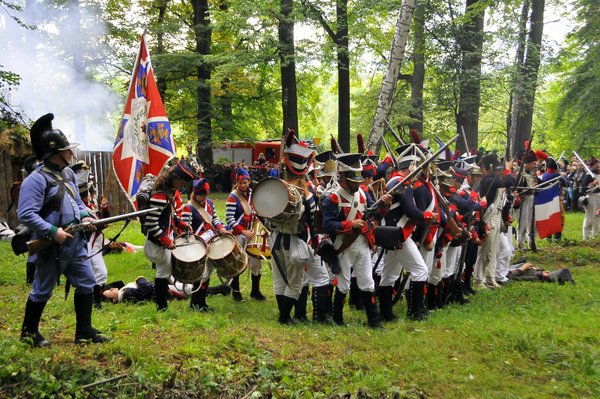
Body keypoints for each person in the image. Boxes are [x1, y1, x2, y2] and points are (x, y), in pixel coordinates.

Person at [18, 113, 108, 346]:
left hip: (74, 241)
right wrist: (52, 232)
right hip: (51, 244)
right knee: (43, 290)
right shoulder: (35, 181)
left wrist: (87, 216)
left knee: (87, 282)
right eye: (66, 150)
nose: (71, 153)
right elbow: (26, 215)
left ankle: (84, 331)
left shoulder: (68, 173)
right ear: (54, 153)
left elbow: (77, 201)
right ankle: (29, 334)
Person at [322, 153, 391, 328]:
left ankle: (374, 321)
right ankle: (337, 319)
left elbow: (373, 213)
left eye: (358, 180)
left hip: (363, 243)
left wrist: (384, 206)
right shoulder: (333, 198)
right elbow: (328, 225)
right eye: (353, 180)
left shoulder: (362, 194)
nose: (357, 183)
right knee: (343, 284)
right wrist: (350, 223)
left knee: (367, 281)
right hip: (343, 244)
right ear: (343, 177)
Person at [143, 160, 198, 311]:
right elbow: (151, 222)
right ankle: (161, 306)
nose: (182, 184)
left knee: (165, 271)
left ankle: (162, 303)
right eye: (181, 181)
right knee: (163, 271)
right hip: (157, 242)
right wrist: (165, 239)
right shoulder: (160, 196)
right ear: (174, 178)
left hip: (163, 239)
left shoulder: (168, 192)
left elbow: (170, 216)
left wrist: (181, 224)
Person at [180, 178, 227, 311]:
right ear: (195, 194)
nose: (204, 198)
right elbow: (185, 231)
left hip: (211, 242)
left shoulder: (210, 203)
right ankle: (196, 304)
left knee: (208, 273)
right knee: (201, 274)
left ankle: (202, 303)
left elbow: (215, 218)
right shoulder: (188, 208)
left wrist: (220, 226)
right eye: (201, 195)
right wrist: (198, 241)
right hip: (198, 245)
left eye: (205, 195)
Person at [225, 167, 266, 301]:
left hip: (252, 232)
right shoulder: (233, 197)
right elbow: (229, 219)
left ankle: (255, 291)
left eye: (246, 182)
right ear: (237, 182)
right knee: (237, 262)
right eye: (241, 182)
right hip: (239, 233)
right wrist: (243, 231)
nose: (244, 185)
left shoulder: (252, 195)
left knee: (256, 261)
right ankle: (236, 293)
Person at [74, 163, 111, 309]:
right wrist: (99, 223)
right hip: (87, 242)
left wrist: (104, 208)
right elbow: (90, 226)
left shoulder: (91, 202)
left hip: (96, 242)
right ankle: (95, 302)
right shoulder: (79, 205)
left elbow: (105, 221)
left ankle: (95, 301)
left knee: (96, 274)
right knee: (99, 273)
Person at [581, 158, 600, 239]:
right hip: (591, 197)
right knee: (589, 217)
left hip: (599, 197)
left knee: (597, 216)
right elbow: (583, 188)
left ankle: (595, 234)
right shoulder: (589, 175)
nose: (599, 167)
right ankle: (586, 236)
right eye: (597, 165)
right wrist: (592, 184)